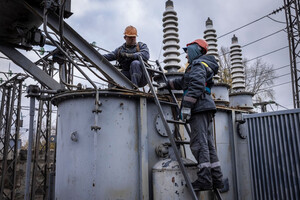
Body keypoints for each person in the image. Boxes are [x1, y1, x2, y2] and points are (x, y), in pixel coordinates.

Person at [160, 39, 224, 191]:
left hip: (199, 107)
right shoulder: (202, 65)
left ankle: (204, 180)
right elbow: (184, 81)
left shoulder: (197, 65)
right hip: (206, 106)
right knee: (208, 145)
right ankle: (217, 179)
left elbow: (196, 85)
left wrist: (187, 106)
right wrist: (168, 85)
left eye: (187, 53)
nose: (186, 57)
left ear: (195, 50)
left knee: (199, 144)